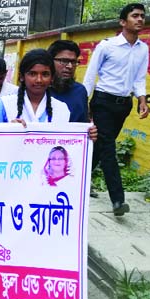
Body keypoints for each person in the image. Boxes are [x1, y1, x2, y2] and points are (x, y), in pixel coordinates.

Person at [82, 3, 149, 216]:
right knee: (108, 149)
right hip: (102, 102)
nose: (140, 19)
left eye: (142, 16)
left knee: (100, 148)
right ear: (123, 22)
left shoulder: (143, 48)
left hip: (123, 105)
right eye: (135, 16)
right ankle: (118, 200)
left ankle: (80, 180)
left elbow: (139, 78)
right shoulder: (106, 46)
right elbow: (90, 76)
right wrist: (85, 103)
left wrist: (142, 100)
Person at [47, 39, 99, 197]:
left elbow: (83, 126)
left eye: (74, 62)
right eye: (63, 61)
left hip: (68, 165)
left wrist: (90, 134)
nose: (69, 66)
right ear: (50, 61)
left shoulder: (80, 92)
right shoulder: (39, 89)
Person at [0, 49, 70, 124]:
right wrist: (10, 131)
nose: (39, 80)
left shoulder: (62, 109)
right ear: (22, 76)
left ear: (52, 78)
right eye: (32, 74)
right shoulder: (5, 105)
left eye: (45, 74)